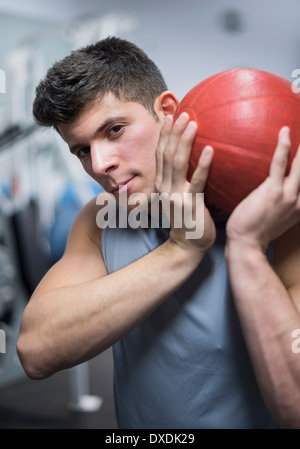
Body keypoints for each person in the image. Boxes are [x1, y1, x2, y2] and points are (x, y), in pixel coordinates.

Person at [17, 37, 300, 429]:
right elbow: (35, 351)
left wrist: (249, 248)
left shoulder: (280, 218)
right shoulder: (101, 219)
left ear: (166, 111)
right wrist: (181, 249)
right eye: (82, 150)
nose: (100, 164)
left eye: (114, 130)